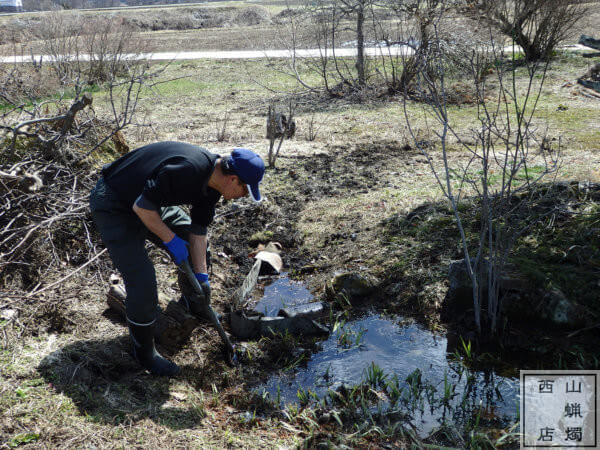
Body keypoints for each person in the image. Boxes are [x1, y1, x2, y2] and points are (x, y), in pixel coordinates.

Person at [89, 141, 265, 376]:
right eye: (245, 190)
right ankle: (145, 354)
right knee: (142, 279)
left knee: (193, 245)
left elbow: (198, 231)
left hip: (147, 200)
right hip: (114, 200)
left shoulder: (213, 185)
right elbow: (142, 209)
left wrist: (201, 275)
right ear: (233, 179)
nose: (243, 195)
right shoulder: (189, 169)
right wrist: (170, 240)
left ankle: (194, 303)